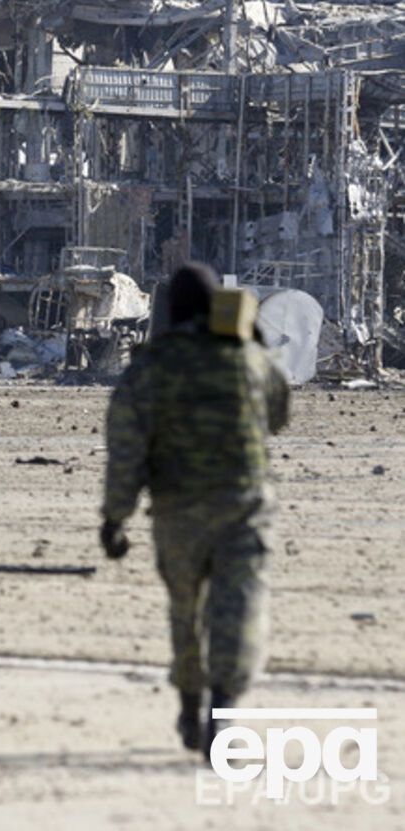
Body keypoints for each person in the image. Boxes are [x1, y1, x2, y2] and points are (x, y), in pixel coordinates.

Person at [100, 262, 289, 759]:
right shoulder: (246, 357)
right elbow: (279, 415)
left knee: (186, 612)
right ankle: (222, 709)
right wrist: (257, 345)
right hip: (243, 507)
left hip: (177, 509)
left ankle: (189, 707)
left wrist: (115, 518)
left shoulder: (152, 366)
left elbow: (127, 449)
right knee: (240, 606)